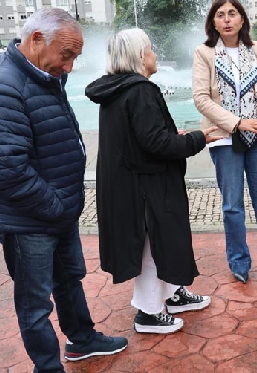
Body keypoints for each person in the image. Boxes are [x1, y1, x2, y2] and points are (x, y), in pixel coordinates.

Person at [0, 8, 127, 372]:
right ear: (36, 39)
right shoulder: (2, 87)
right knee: (35, 304)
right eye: (66, 55)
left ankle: (82, 339)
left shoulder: (41, 75)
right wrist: (58, 206)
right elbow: (7, 172)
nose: (70, 66)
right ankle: (48, 367)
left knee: (69, 280)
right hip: (28, 221)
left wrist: (63, 208)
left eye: (74, 56)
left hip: (56, 213)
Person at [85, 28, 218, 334]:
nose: (155, 54)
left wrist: (173, 138)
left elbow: (144, 138)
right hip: (143, 186)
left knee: (161, 239)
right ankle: (148, 312)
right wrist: (197, 138)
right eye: (150, 49)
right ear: (139, 56)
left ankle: (172, 293)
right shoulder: (140, 90)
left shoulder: (119, 90)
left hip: (132, 182)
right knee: (149, 244)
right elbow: (156, 143)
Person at [192, 0, 257, 284]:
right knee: (232, 205)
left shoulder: (256, 48)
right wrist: (236, 122)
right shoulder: (204, 53)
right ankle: (239, 262)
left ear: (242, 18)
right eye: (220, 15)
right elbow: (200, 98)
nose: (226, 19)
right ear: (213, 22)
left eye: (232, 13)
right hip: (224, 138)